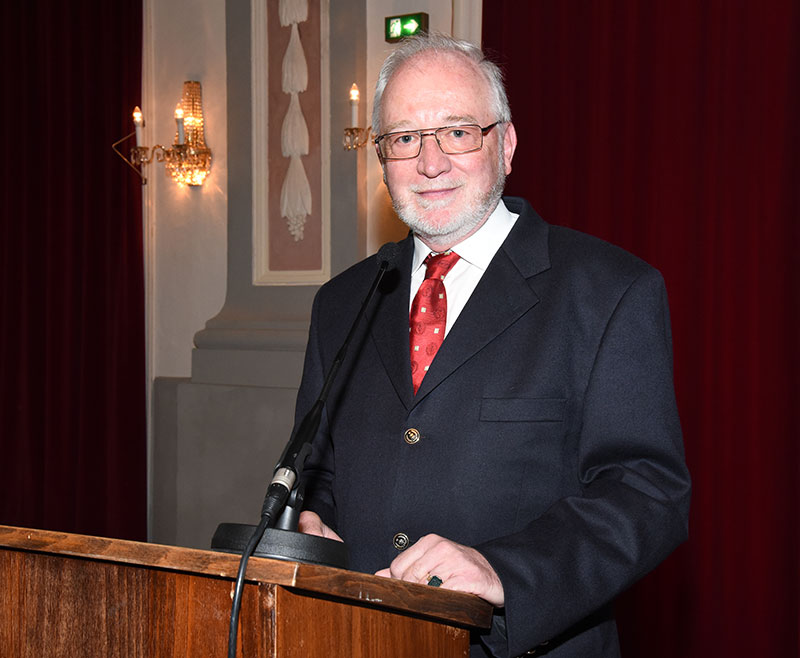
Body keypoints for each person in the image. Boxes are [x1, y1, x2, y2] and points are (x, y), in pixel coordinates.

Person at [296, 32, 690, 657]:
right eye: (404, 138)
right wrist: (307, 521)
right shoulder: (341, 303)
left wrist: (503, 571)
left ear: (504, 143)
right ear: (381, 158)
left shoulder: (609, 291)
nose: (430, 163)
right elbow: (314, 469)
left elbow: (645, 493)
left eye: (456, 132)